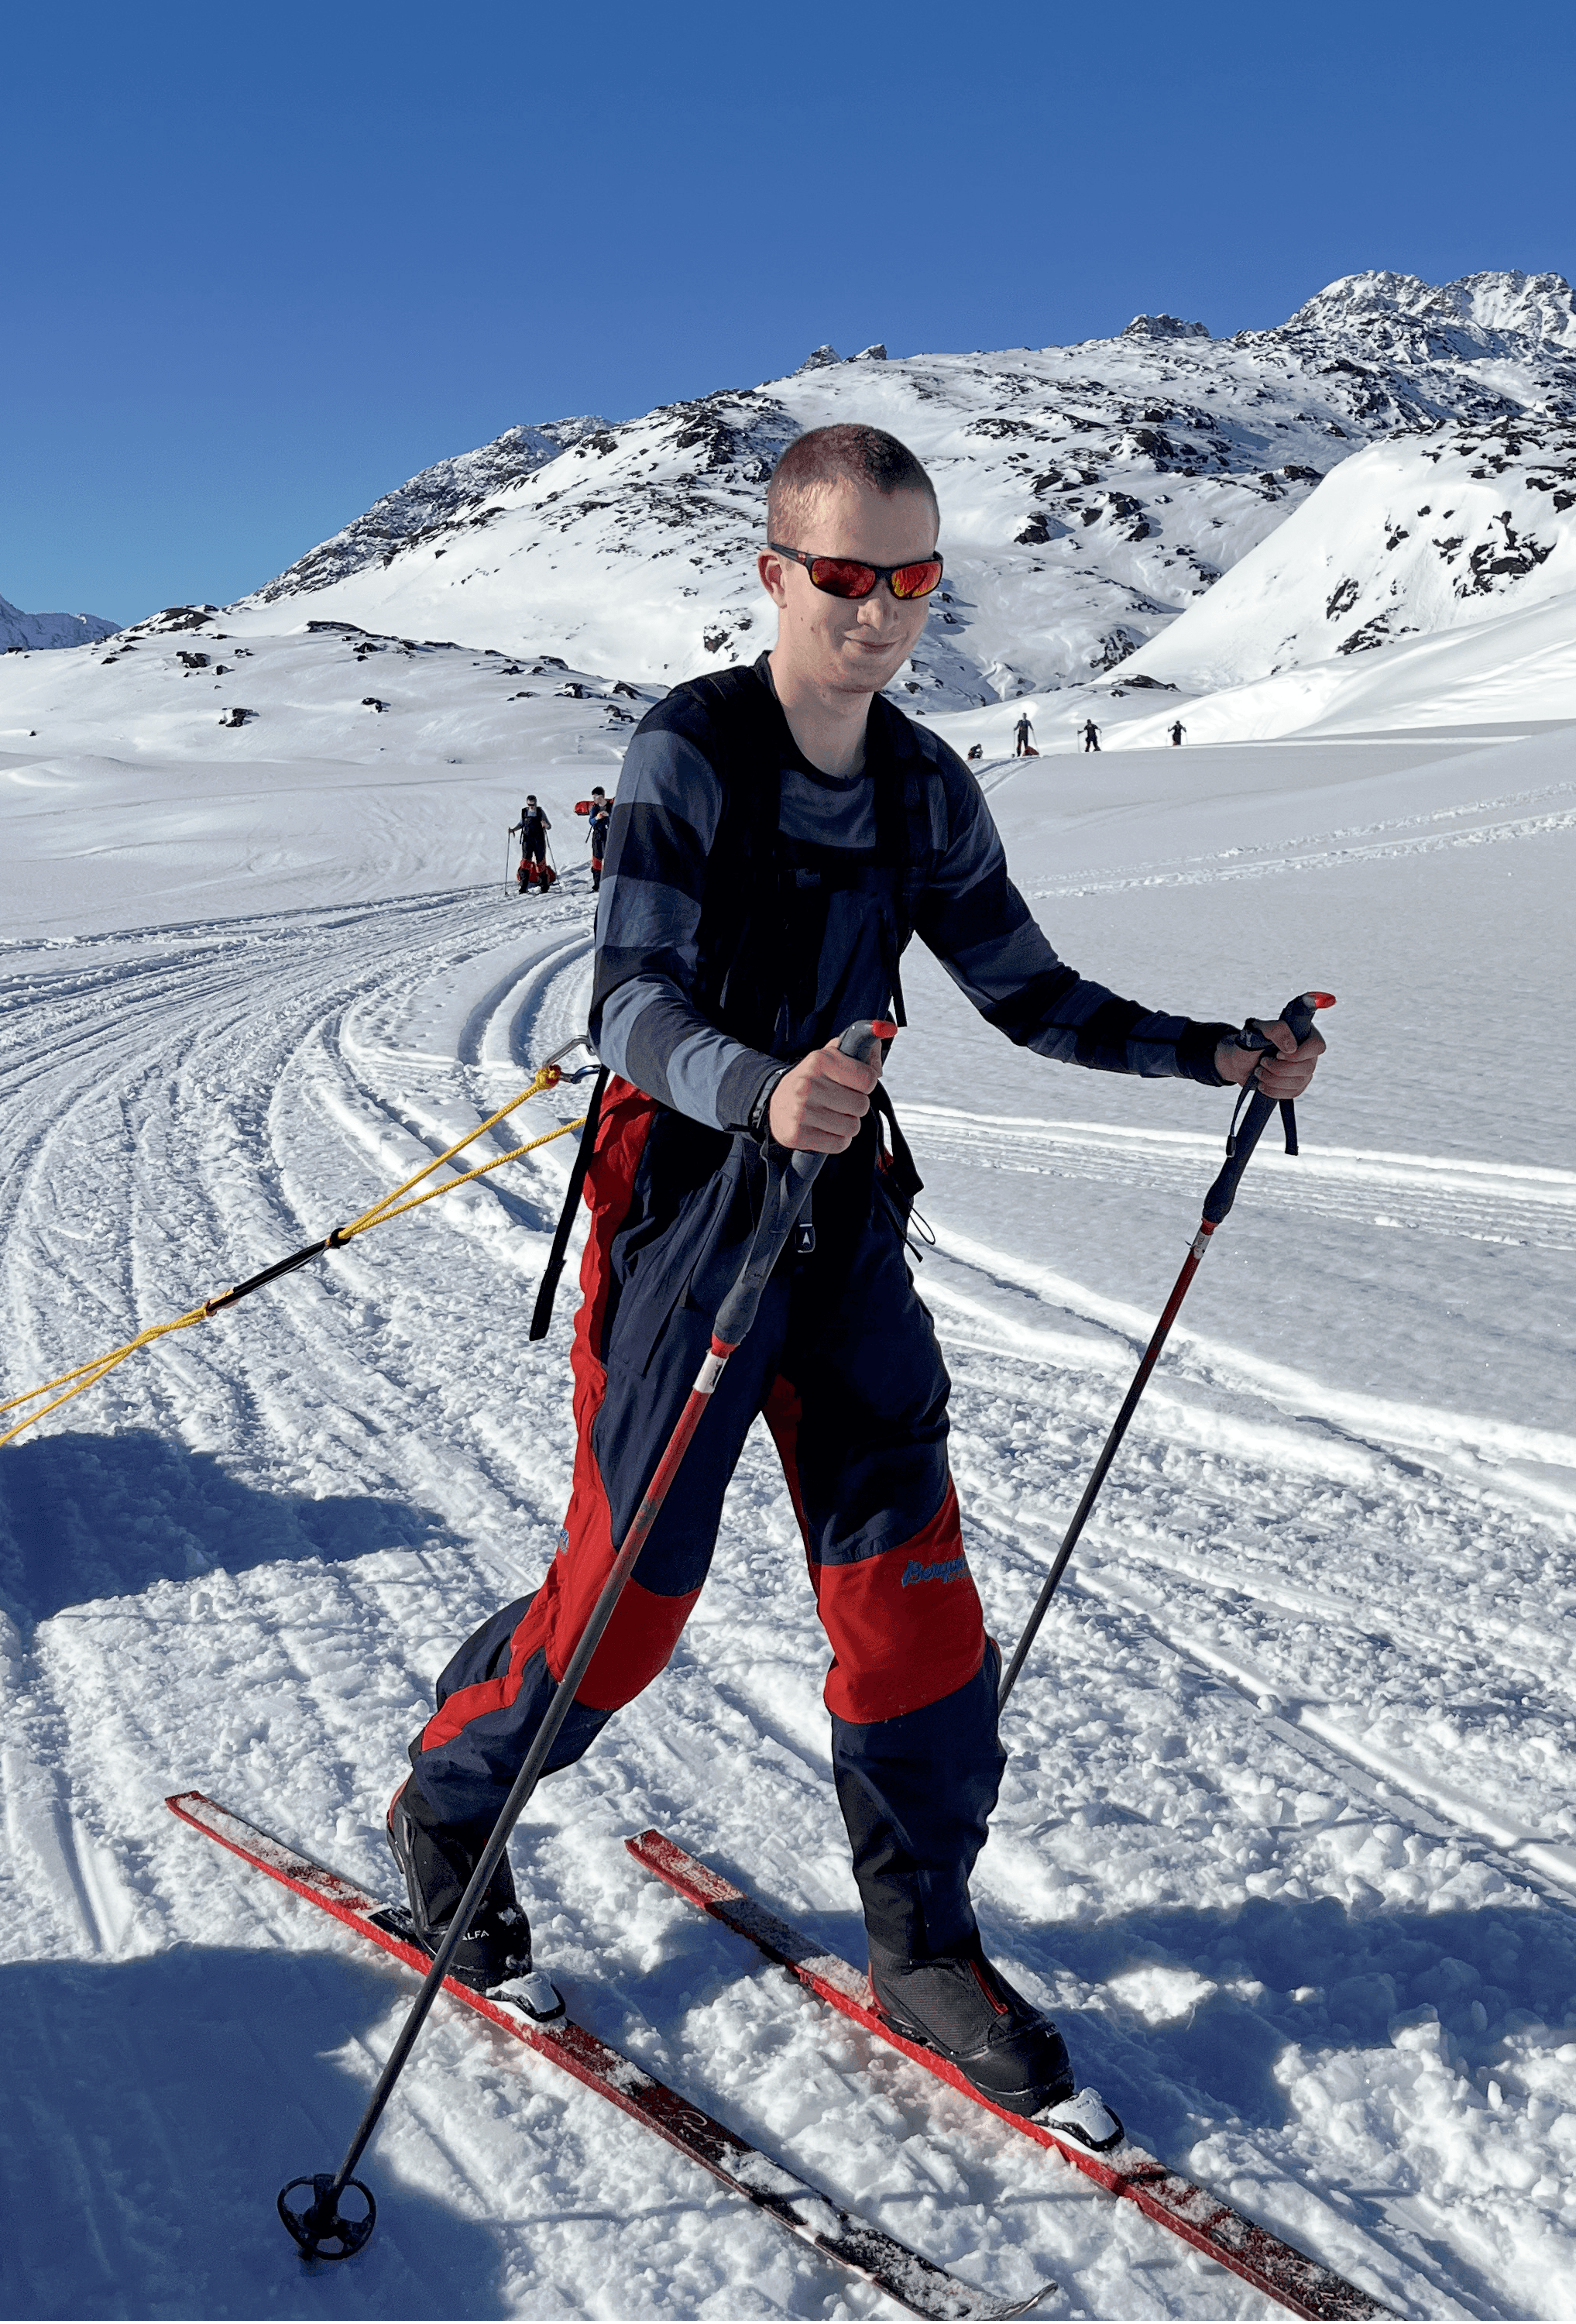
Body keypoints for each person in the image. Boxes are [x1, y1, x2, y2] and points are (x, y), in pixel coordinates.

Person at [387, 422, 1320, 2122]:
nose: (879, 613)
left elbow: (1030, 992)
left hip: (842, 1225)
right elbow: (629, 1007)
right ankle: (452, 1799)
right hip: (685, 1210)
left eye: (909, 579)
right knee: (629, 1597)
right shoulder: (694, 753)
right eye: (844, 577)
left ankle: (923, 1933)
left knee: (909, 1584)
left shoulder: (925, 785)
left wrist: (1213, 1056)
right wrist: (766, 1088)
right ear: (773, 574)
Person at [575, 786, 612, 892]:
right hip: (597, 836)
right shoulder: (594, 808)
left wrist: (608, 816)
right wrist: (597, 818)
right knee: (597, 860)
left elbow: (616, 818)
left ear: (600, 797)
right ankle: (597, 885)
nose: (593, 799)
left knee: (609, 859)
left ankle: (609, 883)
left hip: (609, 835)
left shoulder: (610, 807)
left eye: (595, 797)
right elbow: (591, 821)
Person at [513, 795, 551, 892]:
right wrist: (513, 830)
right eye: (529, 804)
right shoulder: (524, 812)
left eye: (533, 804)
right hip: (527, 840)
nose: (531, 806)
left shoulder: (540, 812)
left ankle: (544, 887)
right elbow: (521, 824)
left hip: (539, 841)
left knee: (540, 862)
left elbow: (549, 826)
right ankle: (523, 886)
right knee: (525, 863)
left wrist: (545, 825)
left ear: (536, 803)